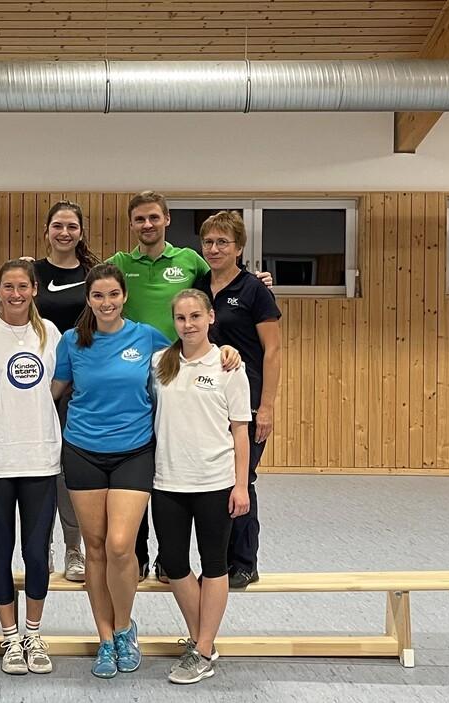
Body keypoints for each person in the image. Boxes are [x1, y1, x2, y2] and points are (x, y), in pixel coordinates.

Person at [51, 264, 241, 679]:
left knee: (121, 546)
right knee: (95, 548)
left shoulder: (147, 337)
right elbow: (52, 393)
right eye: (98, 295)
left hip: (134, 452)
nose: (106, 302)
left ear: (124, 297)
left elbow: (193, 351)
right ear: (88, 300)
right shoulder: (72, 341)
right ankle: (106, 637)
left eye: (113, 294)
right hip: (82, 451)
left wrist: (228, 350)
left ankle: (125, 628)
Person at [108, 190, 270, 582]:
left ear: (167, 219)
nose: (147, 224)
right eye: (139, 219)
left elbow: (222, 282)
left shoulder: (189, 261)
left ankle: (236, 562)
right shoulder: (119, 263)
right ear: (131, 223)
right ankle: (147, 557)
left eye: (154, 217)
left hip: (197, 377)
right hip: (144, 380)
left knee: (227, 476)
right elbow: (96, 288)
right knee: (148, 471)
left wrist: (257, 280)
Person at [0, 259, 62, 676]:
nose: (16, 294)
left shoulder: (50, 333)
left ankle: (34, 635)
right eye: (8, 286)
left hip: (40, 455)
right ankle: (10, 638)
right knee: (0, 550)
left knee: (36, 552)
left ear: (34, 289)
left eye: (23, 286)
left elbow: (59, 383)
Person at [151, 289, 251, 684]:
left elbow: (240, 431)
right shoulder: (160, 363)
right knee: (174, 564)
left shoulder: (228, 366)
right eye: (181, 318)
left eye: (195, 316)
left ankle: (203, 649)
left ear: (210, 317)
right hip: (168, 481)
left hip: (214, 481)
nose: (188, 324)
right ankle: (201, 639)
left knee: (214, 565)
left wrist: (241, 486)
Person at [193, 211, 282, 589]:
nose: (214, 249)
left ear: (239, 248)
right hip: (209, 400)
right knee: (217, 481)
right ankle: (220, 562)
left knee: (241, 478)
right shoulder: (199, 286)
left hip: (248, 400)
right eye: (208, 242)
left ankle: (245, 562)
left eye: (222, 243)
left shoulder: (254, 290)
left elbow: (273, 350)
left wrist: (267, 406)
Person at [32, 200, 98, 582]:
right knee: (40, 468)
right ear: (47, 231)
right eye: (58, 225)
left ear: (80, 232)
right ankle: (42, 546)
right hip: (35, 386)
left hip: (79, 389)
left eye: (72, 226)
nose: (64, 232)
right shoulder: (32, 272)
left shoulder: (92, 275)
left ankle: (75, 548)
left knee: (69, 471)